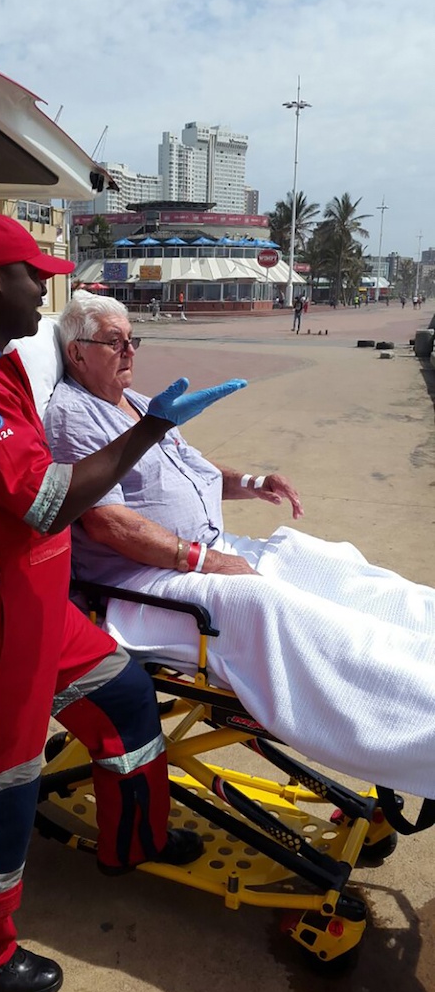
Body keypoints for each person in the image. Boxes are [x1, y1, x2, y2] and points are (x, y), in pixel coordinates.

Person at [0, 215, 245, 992]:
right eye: (33, 276)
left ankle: (135, 840)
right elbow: (46, 499)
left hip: (35, 599)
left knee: (123, 696)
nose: (42, 293)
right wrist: (147, 431)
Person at [44, 291, 435, 801]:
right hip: (143, 583)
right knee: (278, 607)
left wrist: (253, 481)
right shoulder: (72, 417)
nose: (130, 352)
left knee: (328, 565)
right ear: (76, 353)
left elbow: (193, 470)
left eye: (132, 340)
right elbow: (108, 525)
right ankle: (418, 726)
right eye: (114, 342)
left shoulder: (138, 404)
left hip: (205, 550)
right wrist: (206, 562)